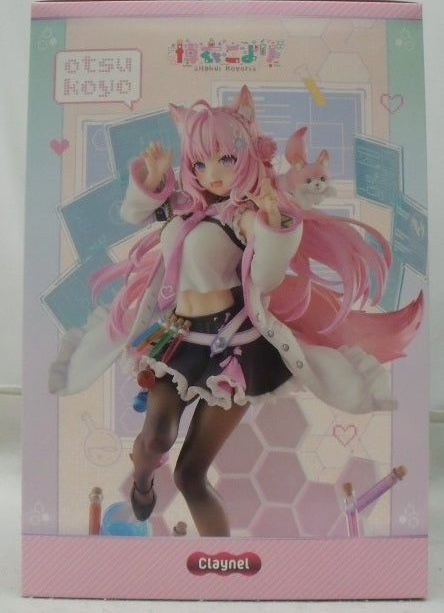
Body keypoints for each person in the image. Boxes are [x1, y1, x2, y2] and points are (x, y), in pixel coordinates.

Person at [49, 85, 422, 536]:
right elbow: (134, 214)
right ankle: (143, 481)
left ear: (246, 157)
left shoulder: (243, 216)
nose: (213, 174)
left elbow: (266, 275)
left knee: (190, 474)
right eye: (200, 163)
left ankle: (219, 559)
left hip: (234, 349)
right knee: (156, 437)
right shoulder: (183, 208)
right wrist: (152, 181)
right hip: (177, 336)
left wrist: (275, 224)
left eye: (225, 159)